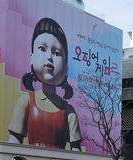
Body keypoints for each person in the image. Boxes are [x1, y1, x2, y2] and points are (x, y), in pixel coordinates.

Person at [8, 17, 82, 150]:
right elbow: (13, 144)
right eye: (42, 49)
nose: (49, 57)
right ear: (31, 58)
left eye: (57, 53)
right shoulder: (26, 102)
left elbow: (77, 154)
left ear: (66, 69)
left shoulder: (68, 111)